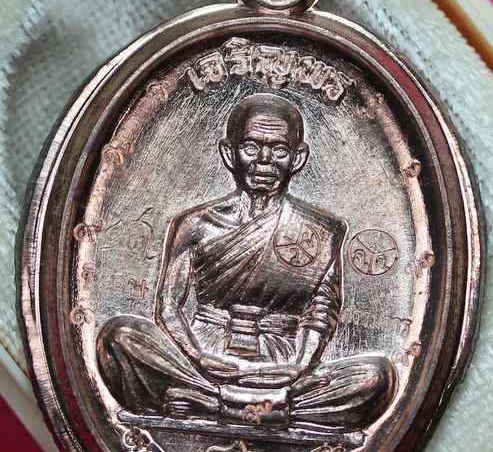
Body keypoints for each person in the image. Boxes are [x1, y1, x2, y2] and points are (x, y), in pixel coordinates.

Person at [97, 93, 395, 431]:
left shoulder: (321, 231)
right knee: (120, 339)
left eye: (279, 151)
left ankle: (212, 405)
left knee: (375, 379)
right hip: (204, 359)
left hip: (283, 366)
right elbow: (168, 306)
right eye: (251, 148)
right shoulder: (195, 224)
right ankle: (267, 411)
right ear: (230, 153)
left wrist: (300, 365)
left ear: (297, 158)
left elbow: (321, 311)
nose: (264, 161)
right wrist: (198, 356)